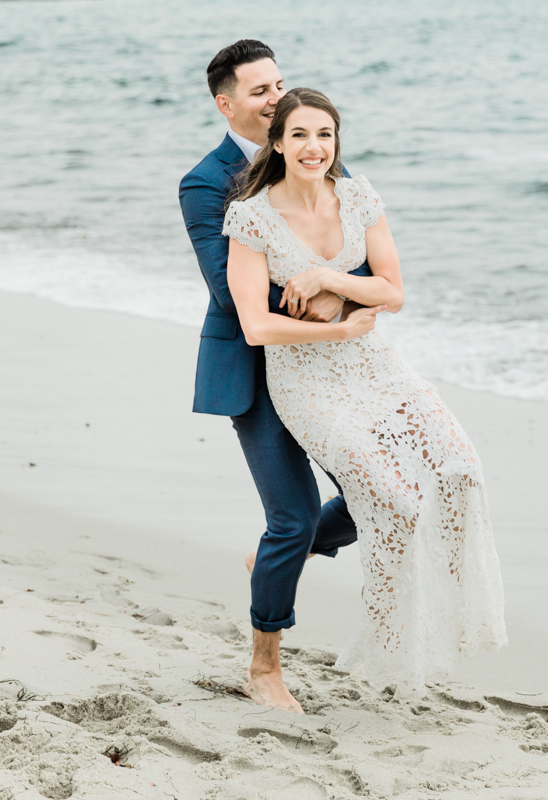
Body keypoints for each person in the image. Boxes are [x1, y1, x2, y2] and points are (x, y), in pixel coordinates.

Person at [223, 87, 507, 697]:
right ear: (276, 142)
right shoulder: (251, 216)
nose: (313, 147)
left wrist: (331, 278)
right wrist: (340, 323)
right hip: (306, 380)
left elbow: (394, 291)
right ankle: (390, 640)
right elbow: (255, 325)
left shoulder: (358, 196)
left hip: (379, 366)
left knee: (461, 468)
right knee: (393, 497)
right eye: (299, 134)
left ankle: (452, 618)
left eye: (324, 135)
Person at [178, 40, 372, 712]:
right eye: (259, 91)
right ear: (225, 103)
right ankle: (264, 669)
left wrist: (336, 289)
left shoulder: (317, 157)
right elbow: (231, 293)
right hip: (256, 371)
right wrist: (321, 292)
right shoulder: (207, 182)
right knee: (288, 521)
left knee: (379, 494)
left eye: (280, 84)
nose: (275, 99)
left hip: (334, 365)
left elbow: (368, 267)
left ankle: (279, 561)